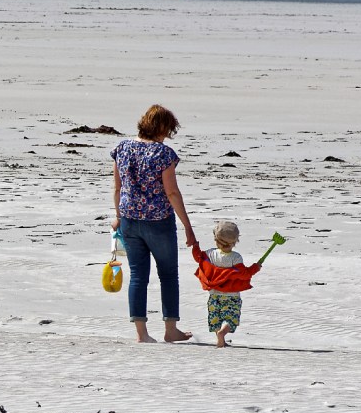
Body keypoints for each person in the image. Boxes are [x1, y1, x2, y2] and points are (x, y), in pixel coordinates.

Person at [110, 104, 198, 343]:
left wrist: (118, 215)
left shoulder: (122, 148)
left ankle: (142, 334)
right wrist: (188, 227)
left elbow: (117, 188)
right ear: (160, 127)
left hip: (128, 219)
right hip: (158, 221)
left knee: (138, 275)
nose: (168, 135)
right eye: (167, 129)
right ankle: (170, 330)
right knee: (168, 275)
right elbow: (172, 193)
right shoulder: (163, 154)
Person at [191, 220, 262, 348]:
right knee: (230, 318)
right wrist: (255, 268)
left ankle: (219, 337)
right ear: (235, 242)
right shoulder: (235, 258)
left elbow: (198, 257)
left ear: (216, 239)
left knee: (215, 318)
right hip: (232, 296)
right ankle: (223, 334)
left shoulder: (210, 254)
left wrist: (195, 245)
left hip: (214, 296)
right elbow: (245, 274)